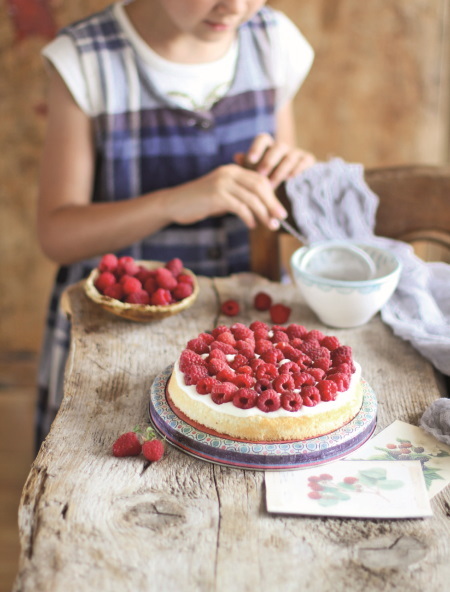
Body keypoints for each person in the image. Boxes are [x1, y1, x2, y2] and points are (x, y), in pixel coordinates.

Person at [36, 0, 316, 449]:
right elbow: (56, 235)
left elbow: (275, 199)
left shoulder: (273, 41)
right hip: (119, 333)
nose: (235, 6)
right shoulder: (85, 60)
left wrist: (297, 175)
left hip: (245, 339)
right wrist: (172, 201)